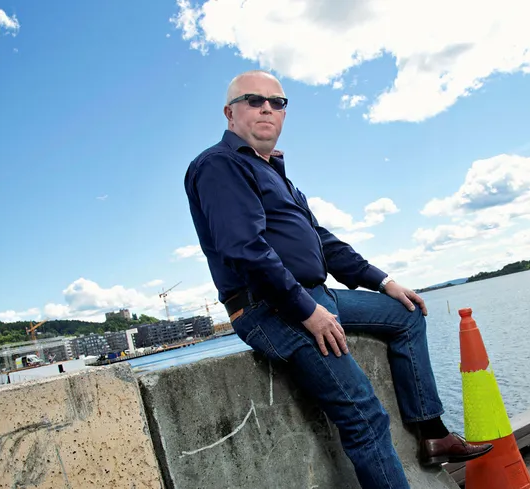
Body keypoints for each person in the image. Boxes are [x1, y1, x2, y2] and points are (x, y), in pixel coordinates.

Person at [184, 70, 492, 489]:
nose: (267, 108)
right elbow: (244, 250)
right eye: (254, 100)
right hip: (272, 306)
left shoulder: (275, 173)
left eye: (278, 102)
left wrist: (384, 282)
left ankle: (434, 434)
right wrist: (307, 311)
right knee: (364, 415)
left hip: (313, 295)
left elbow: (324, 244)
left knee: (406, 315)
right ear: (229, 113)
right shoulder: (219, 165)